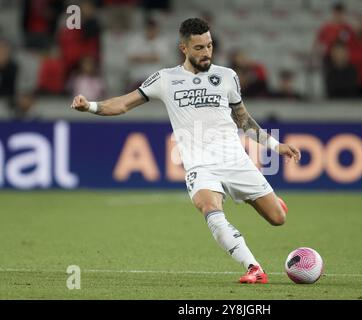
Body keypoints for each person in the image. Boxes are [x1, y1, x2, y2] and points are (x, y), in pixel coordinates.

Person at [70, 18, 300, 284]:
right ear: (184, 48)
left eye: (210, 46)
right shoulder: (166, 79)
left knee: (278, 218)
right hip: (199, 165)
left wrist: (276, 146)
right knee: (209, 208)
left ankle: (263, 200)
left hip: (235, 160)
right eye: (200, 47)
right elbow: (123, 104)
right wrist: (91, 106)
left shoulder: (227, 76)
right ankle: (253, 267)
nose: (207, 53)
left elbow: (243, 120)